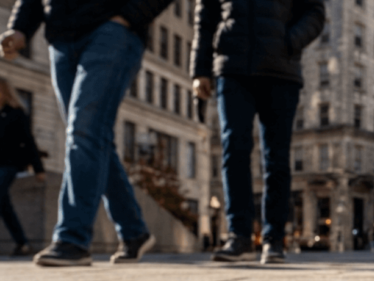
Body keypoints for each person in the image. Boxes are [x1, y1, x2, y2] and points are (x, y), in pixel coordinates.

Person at [2, 0, 165, 267]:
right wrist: (20, 27)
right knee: (91, 136)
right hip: (60, 36)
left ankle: (72, 239)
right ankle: (134, 231)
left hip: (112, 29)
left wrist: (130, 15)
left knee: (84, 132)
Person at [191, 0, 325, 264]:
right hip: (232, 68)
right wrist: (199, 71)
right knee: (234, 149)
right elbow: (205, 19)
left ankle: (274, 239)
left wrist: (288, 41)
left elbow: (315, 13)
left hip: (281, 70)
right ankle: (238, 236)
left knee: (276, 157)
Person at [0, 77, 45, 256]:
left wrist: (38, 168)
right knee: (4, 206)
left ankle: (22, 243)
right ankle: (23, 243)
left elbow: (29, 141)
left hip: (9, 165)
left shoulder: (16, 114)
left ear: (4, 92)